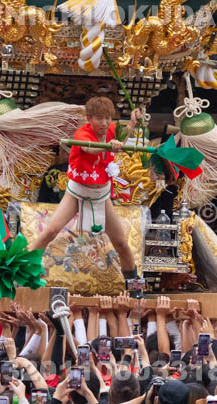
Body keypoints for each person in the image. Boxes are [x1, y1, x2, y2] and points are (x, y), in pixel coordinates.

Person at [27, 97, 140, 279]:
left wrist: (133, 122)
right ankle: (21, 268)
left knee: (121, 243)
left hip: (101, 193)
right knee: (51, 231)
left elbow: (122, 134)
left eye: (107, 118)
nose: (104, 123)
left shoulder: (111, 129)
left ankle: (134, 284)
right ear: (89, 118)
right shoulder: (82, 134)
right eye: (99, 118)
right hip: (78, 190)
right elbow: (91, 150)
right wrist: (109, 147)